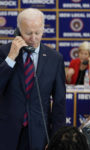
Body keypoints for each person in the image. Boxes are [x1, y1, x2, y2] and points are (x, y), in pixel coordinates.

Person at [0, 8, 66, 150]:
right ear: (18, 31)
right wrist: (11, 58)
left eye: (38, 33)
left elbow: (59, 102)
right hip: (7, 132)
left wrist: (56, 139)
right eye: (28, 33)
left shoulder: (55, 59)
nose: (33, 38)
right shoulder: (4, 53)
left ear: (43, 30)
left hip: (39, 133)